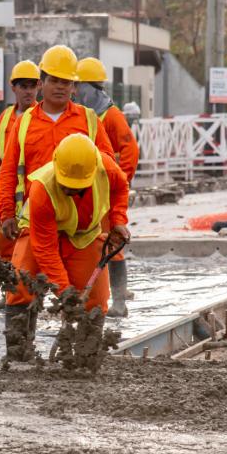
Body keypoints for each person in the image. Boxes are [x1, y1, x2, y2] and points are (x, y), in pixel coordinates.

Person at [4, 134, 130, 361]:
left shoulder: (106, 168)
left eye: (78, 188)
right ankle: (18, 355)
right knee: (21, 282)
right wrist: (65, 293)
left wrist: (118, 220)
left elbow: (121, 188)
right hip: (38, 232)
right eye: (67, 187)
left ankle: (85, 357)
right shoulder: (42, 189)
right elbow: (46, 250)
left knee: (96, 298)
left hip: (84, 235)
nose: (72, 192)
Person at [0, 44, 116, 245]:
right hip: (36, 219)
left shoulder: (89, 120)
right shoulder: (23, 122)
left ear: (73, 86)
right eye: (54, 80)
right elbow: (8, 171)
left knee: (81, 277)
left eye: (65, 82)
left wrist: (114, 218)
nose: (60, 86)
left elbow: (109, 170)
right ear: (41, 83)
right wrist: (6, 212)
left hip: (80, 226)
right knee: (26, 276)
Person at [75, 56, 140, 317]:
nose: (75, 92)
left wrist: (119, 182)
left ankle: (119, 302)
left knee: (112, 242)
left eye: (78, 87)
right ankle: (90, 295)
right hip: (84, 192)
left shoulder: (111, 116)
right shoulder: (81, 114)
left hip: (107, 192)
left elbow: (130, 150)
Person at [0, 60, 41, 262]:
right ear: (13, 88)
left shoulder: (41, 117)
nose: (28, 92)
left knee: (31, 240)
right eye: (23, 86)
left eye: (32, 86)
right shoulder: (5, 117)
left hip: (31, 192)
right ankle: (8, 282)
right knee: (5, 240)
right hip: (8, 190)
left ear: (39, 86)